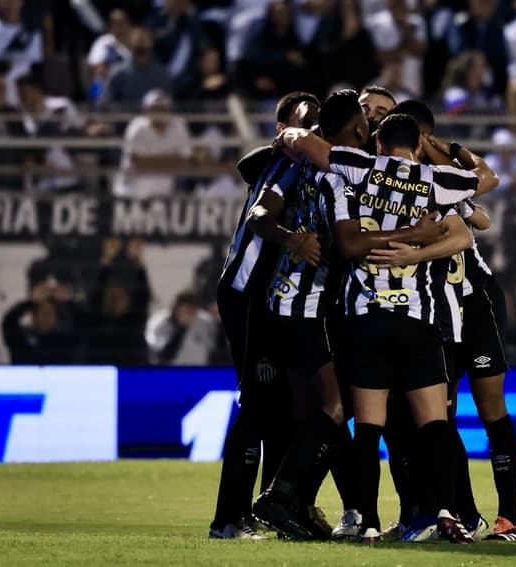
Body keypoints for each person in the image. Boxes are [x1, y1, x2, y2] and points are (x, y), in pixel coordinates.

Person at [275, 112, 497, 543]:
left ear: (377, 144)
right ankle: (443, 513)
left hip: (364, 313)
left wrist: (291, 134)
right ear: (415, 146)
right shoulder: (437, 180)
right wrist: (449, 152)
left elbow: (311, 148)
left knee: (370, 426)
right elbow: (486, 178)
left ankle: (369, 522)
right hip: (418, 315)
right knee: (435, 422)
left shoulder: (356, 169)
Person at [208, 92, 319, 540]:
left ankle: (274, 506)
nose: (311, 131)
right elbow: (257, 212)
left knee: (281, 406)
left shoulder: (303, 165)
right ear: (283, 131)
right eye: (303, 123)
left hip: (271, 299)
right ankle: (229, 518)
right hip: (249, 294)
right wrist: (294, 238)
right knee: (257, 402)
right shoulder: (284, 164)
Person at [114, 89, 193, 199]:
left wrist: (150, 161)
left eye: (164, 108)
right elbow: (137, 162)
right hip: (130, 195)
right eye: (155, 108)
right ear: (146, 111)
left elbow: (184, 161)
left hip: (161, 195)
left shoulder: (179, 126)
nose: (160, 112)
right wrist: (172, 160)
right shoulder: (137, 128)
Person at [85, 237, 151, 366]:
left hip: (131, 373)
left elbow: (142, 298)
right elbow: (95, 299)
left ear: (128, 301)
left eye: (120, 297)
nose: (115, 301)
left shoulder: (134, 322)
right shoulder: (97, 323)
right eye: (111, 297)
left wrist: (138, 263)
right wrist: (106, 262)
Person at [1, 278, 80, 364]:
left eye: (49, 314)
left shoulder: (64, 340)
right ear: (33, 317)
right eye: (41, 314)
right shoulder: (22, 339)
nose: (45, 318)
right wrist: (30, 301)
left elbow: (87, 325)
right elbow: (8, 323)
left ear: (55, 317)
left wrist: (68, 302)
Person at [447, 0, 508, 99]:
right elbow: (457, 51)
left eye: (487, 4)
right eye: (481, 3)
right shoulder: (461, 22)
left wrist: (484, 64)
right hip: (463, 80)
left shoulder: (498, 25)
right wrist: (477, 61)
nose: (484, 7)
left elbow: (501, 55)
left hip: (492, 87)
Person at [145, 289, 219, 366]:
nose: (189, 314)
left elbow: (213, 350)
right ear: (176, 308)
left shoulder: (206, 322)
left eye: (193, 310)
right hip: (170, 374)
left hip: (200, 373)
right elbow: (163, 356)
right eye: (186, 310)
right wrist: (182, 327)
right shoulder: (159, 323)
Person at [102, 26, 172, 106]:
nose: (140, 39)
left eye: (144, 37)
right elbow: (106, 104)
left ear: (152, 41)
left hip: (154, 117)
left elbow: (168, 103)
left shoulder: (162, 73)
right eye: (137, 37)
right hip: (125, 117)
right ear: (129, 41)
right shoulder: (118, 72)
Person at [0, 0, 42, 105]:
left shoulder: (31, 31)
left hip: (22, 87)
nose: (9, 4)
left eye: (13, 0)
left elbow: (34, 67)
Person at [85, 8, 132, 103]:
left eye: (122, 23)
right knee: (97, 83)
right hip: (106, 82)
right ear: (110, 27)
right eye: (115, 24)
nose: (119, 27)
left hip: (129, 81)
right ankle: (94, 107)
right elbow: (98, 68)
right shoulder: (104, 42)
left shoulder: (134, 42)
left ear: (128, 24)